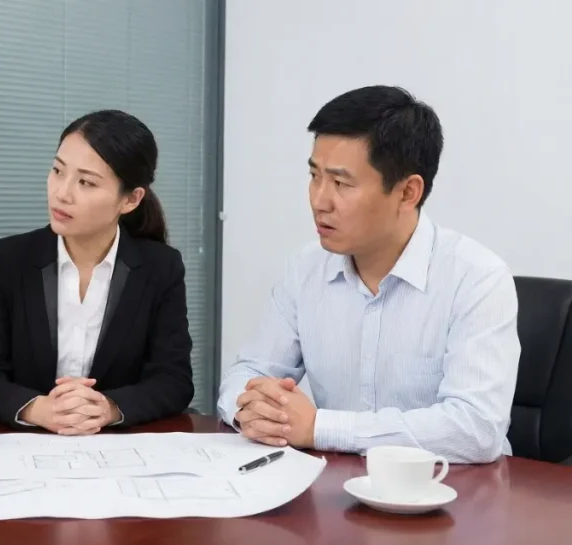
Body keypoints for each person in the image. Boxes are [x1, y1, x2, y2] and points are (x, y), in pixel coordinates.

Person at [217, 85, 520, 464]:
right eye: (314, 176)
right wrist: (251, 409)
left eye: (341, 183)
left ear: (408, 192)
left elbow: (475, 429)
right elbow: (249, 371)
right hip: (337, 494)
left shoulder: (476, 279)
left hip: (456, 498)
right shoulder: (305, 269)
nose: (318, 200)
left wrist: (319, 428)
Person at [0, 109, 194, 434]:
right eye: (58, 171)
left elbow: (174, 381)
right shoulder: (8, 260)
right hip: (23, 447)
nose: (62, 192)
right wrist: (39, 409)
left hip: (116, 450)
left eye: (85, 182)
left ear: (130, 199)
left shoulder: (160, 268)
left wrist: (110, 408)